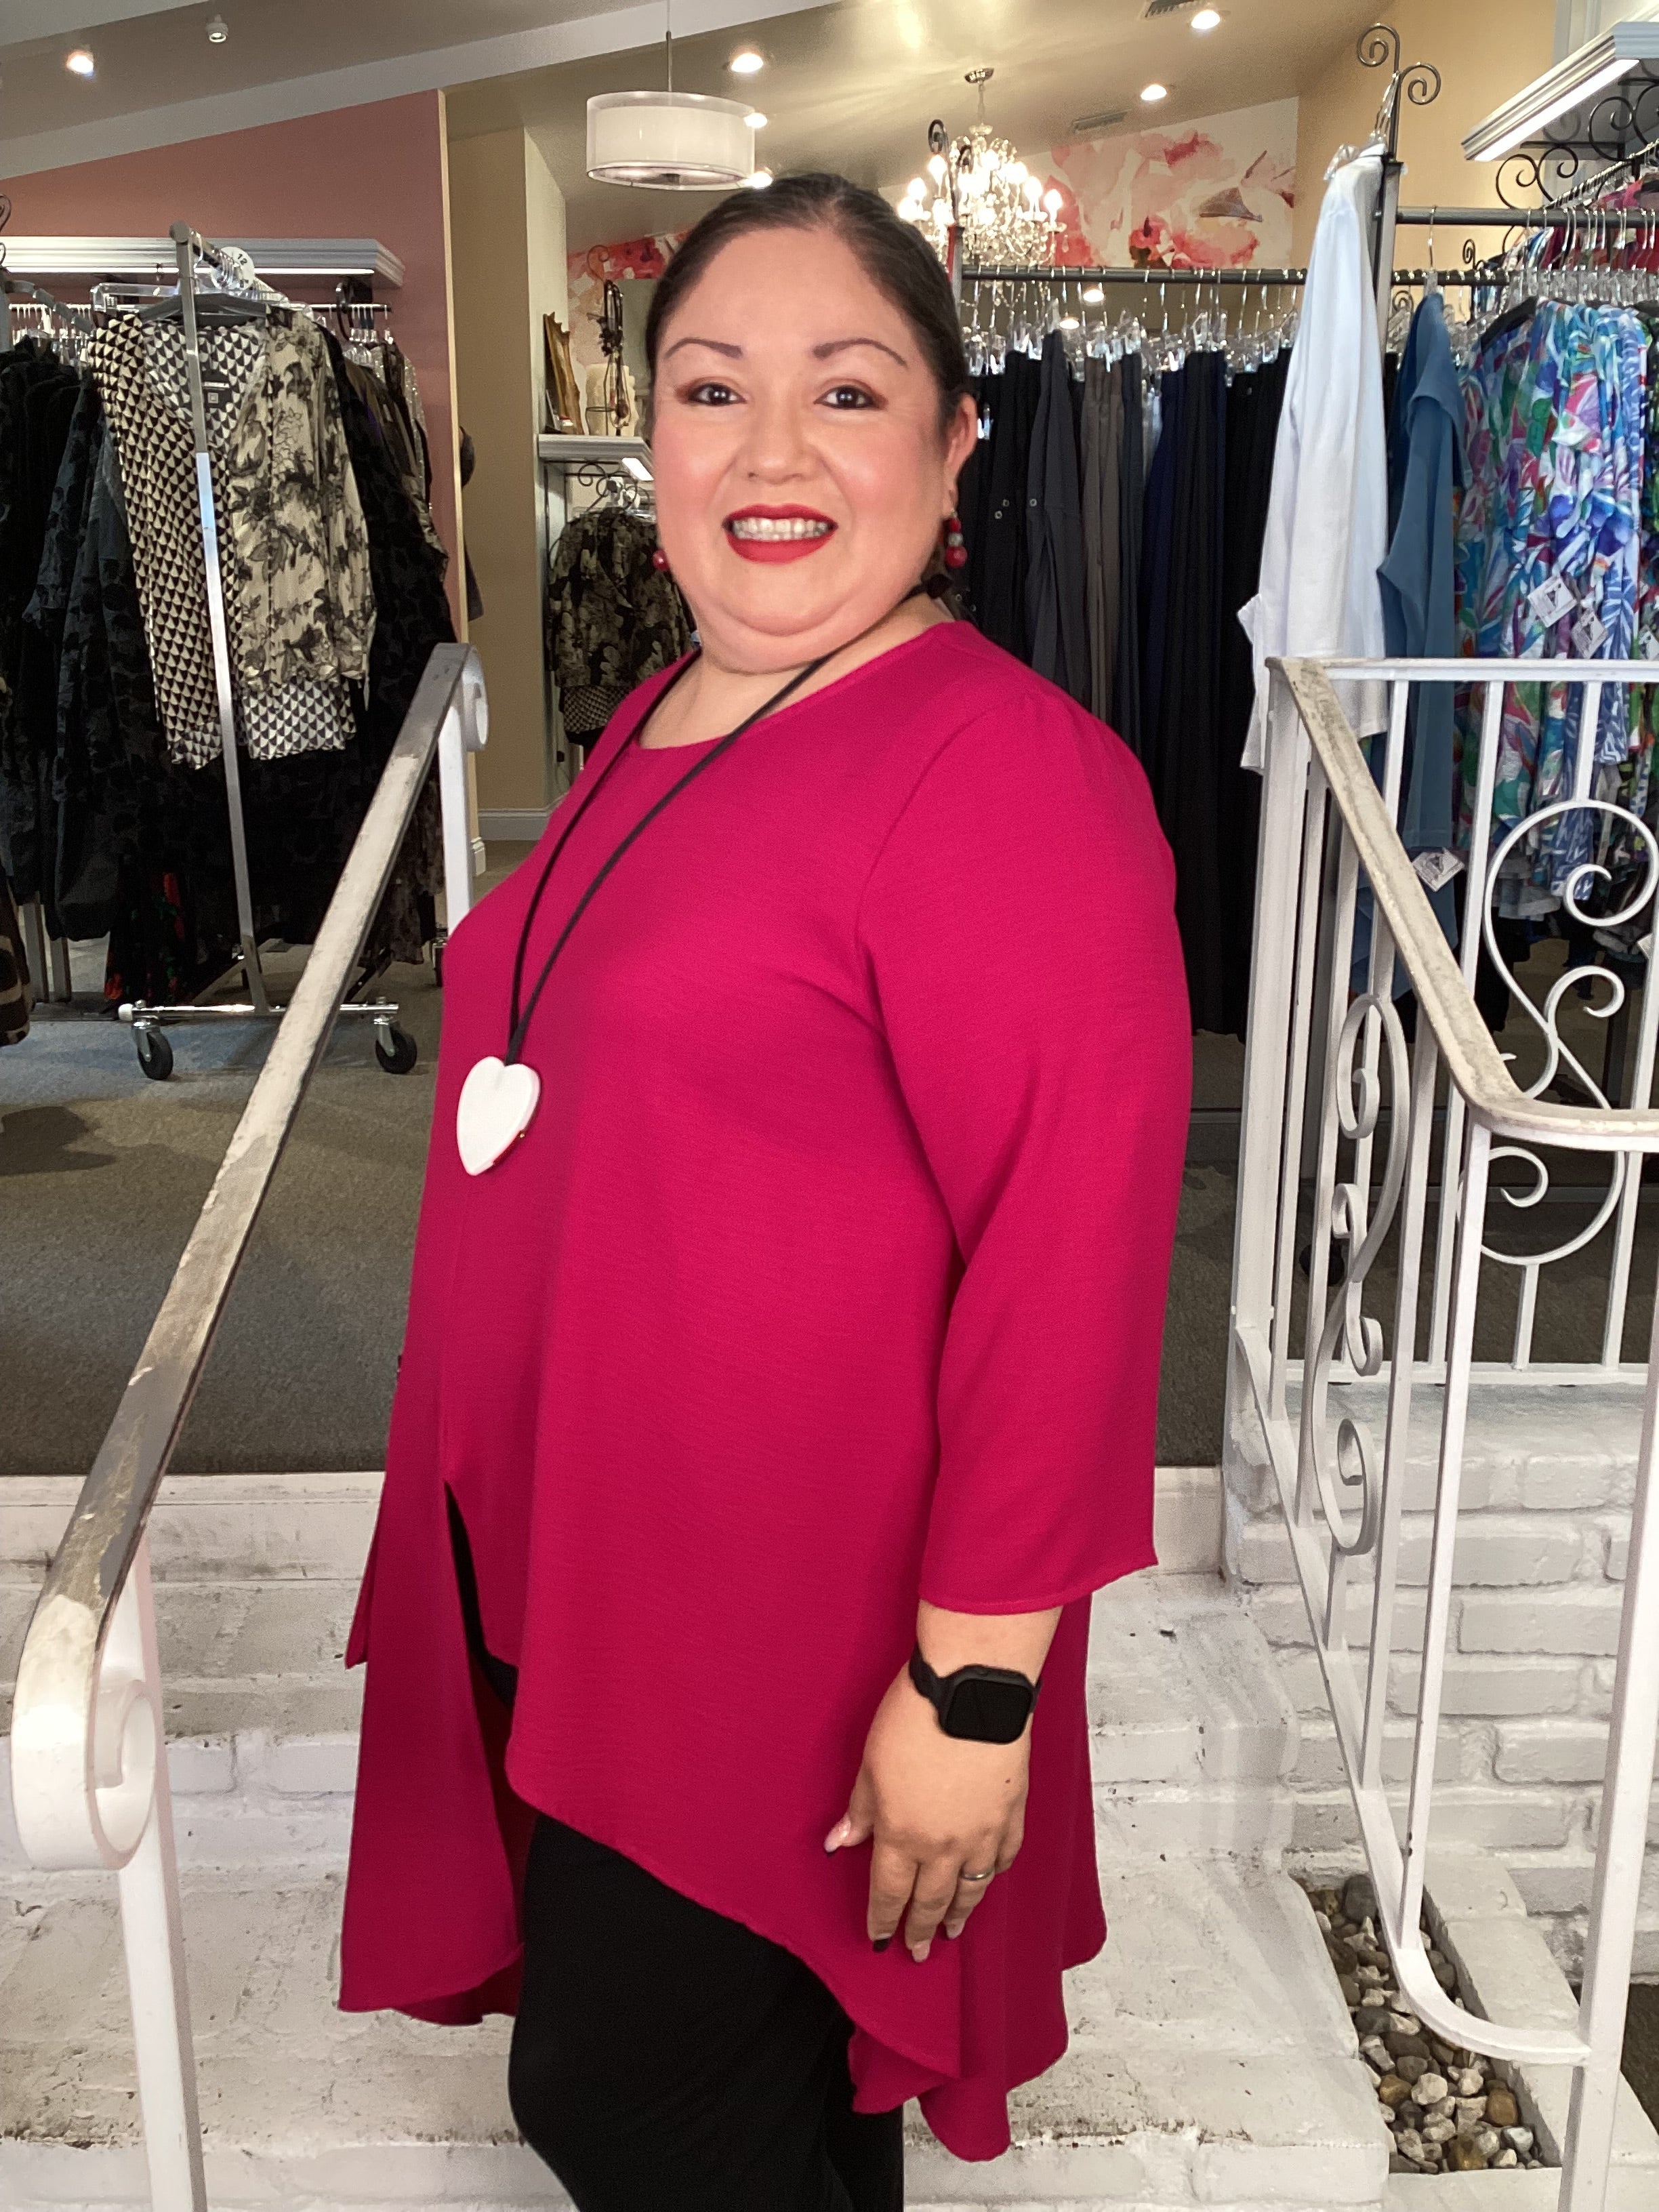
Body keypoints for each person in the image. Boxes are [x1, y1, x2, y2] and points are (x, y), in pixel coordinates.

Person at [339, 172, 1190, 2212]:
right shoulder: (670, 706)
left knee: (627, 2100)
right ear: (649, 439)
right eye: (715, 390)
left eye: (849, 391)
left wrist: (974, 1691)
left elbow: (1068, 1271)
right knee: (778, 2111)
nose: (773, 451)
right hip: (596, 1564)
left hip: (790, 1624)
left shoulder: (1010, 776)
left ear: (958, 441)